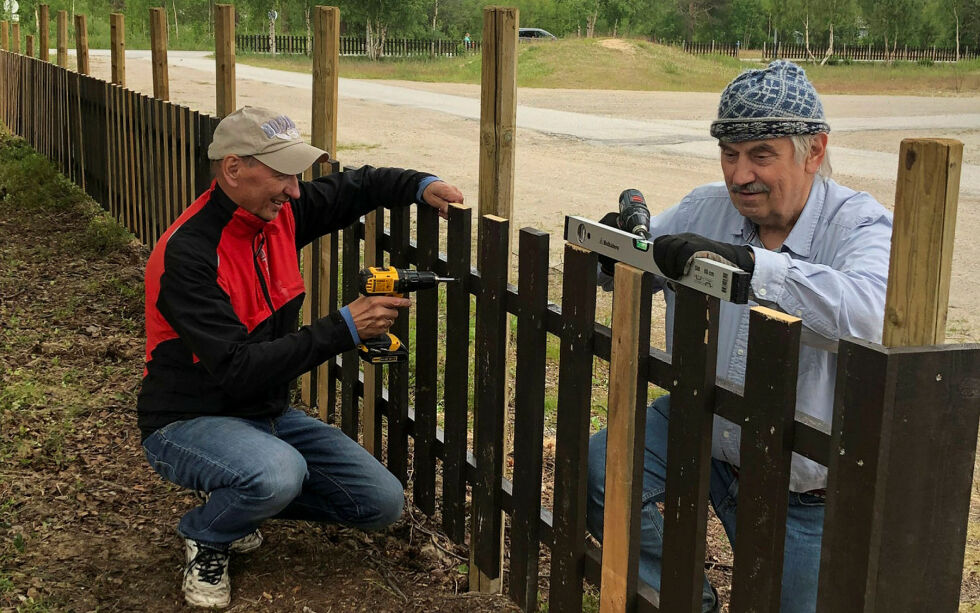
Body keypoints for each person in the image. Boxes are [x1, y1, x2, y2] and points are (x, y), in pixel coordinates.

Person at [586, 61, 892, 613]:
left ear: (815, 151)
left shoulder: (861, 225)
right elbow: (642, 257)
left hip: (803, 488)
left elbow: (868, 317)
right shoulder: (707, 206)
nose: (739, 175)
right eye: (729, 154)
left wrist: (755, 267)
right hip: (704, 426)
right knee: (600, 471)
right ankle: (687, 600)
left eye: (760, 154)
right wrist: (616, 253)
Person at [137, 106, 464, 608]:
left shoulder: (279, 215)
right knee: (276, 474)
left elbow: (357, 187)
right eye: (281, 174)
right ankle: (208, 532)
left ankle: (239, 499)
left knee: (380, 502)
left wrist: (420, 184)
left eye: (296, 175)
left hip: (265, 417)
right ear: (232, 169)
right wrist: (345, 327)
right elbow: (239, 371)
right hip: (187, 420)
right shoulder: (188, 255)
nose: (294, 189)